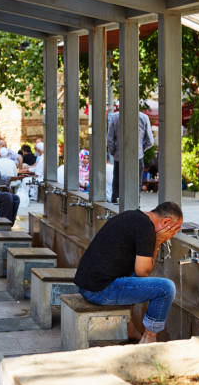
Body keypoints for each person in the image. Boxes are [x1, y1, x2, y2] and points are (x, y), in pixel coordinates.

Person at [74, 201, 183, 344]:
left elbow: (138, 273)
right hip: (99, 290)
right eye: (175, 230)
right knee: (166, 288)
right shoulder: (147, 228)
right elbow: (143, 271)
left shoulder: (132, 216)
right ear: (166, 222)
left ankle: (129, 328)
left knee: (136, 278)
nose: (172, 235)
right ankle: (149, 337)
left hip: (87, 285)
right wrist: (157, 241)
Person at [107, 109, 154, 203]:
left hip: (119, 158)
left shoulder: (114, 117)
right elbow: (150, 142)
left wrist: (114, 152)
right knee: (136, 187)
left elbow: (110, 140)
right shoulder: (143, 117)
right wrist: (140, 149)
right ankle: (134, 209)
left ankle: (116, 212)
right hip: (137, 158)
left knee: (117, 187)